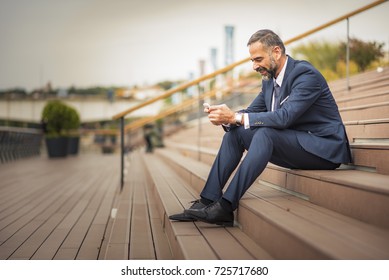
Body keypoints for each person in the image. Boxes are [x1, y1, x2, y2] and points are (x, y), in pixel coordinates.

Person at [169, 29, 352, 226]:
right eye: (252, 61)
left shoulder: (305, 75)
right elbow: (249, 113)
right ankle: (207, 199)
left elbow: (284, 118)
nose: (254, 66)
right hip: (295, 144)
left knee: (266, 133)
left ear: (276, 52)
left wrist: (236, 117)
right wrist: (226, 118)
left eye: (258, 59)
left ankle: (226, 207)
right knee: (237, 132)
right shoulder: (268, 82)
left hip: (323, 149)